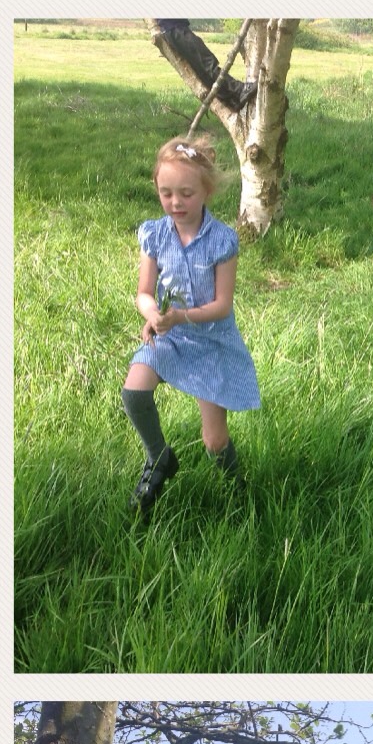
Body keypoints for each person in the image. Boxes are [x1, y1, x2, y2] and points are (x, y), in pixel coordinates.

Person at [124, 135, 261, 514]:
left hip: (210, 341)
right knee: (134, 391)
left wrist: (180, 316)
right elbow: (144, 292)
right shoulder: (154, 234)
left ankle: (238, 492)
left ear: (206, 190)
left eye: (185, 193)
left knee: (214, 440)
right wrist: (152, 314)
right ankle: (159, 459)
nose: (175, 202)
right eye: (166, 193)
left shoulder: (222, 240)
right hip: (168, 334)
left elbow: (221, 306)